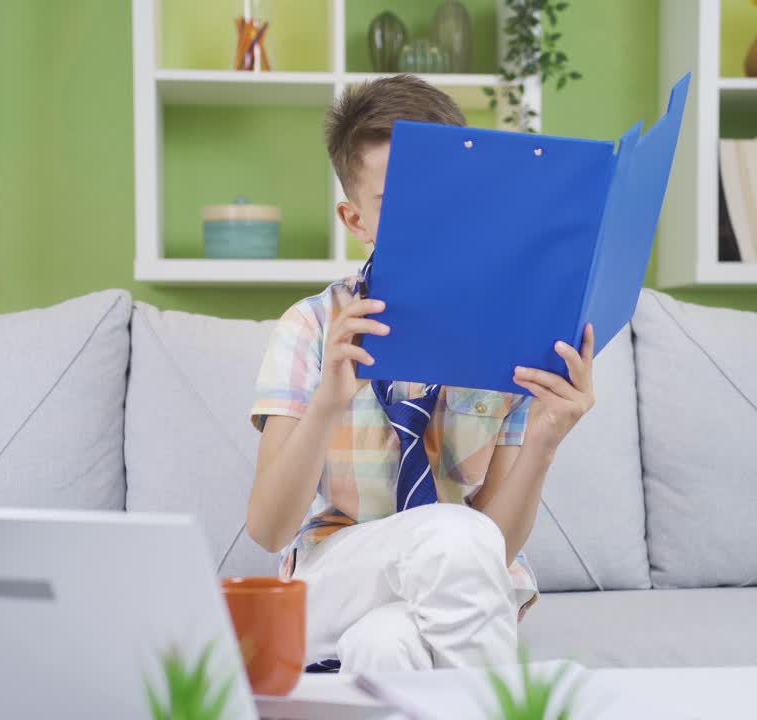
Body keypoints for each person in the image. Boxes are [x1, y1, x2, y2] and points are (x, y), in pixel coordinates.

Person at [247, 74, 596, 673]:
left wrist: (543, 441)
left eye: (444, 194)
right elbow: (269, 529)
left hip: (449, 578)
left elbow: (493, 548)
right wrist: (329, 401)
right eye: (395, 201)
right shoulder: (309, 329)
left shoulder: (513, 334)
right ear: (355, 219)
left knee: (386, 646)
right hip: (329, 582)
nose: (428, 216)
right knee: (450, 535)